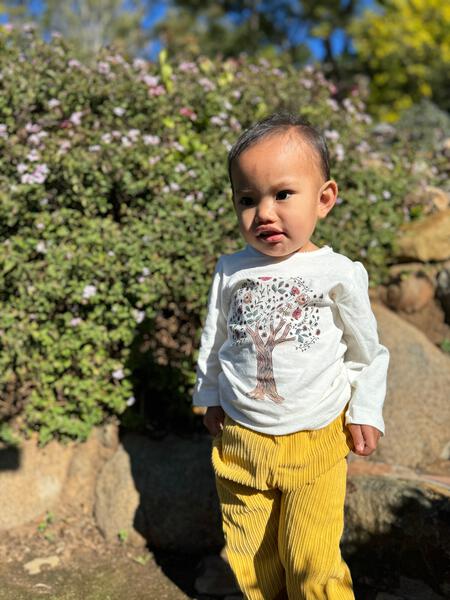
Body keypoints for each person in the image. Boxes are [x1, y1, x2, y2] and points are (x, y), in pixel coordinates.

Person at [192, 112, 389, 600]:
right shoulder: (231, 270)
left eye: (282, 195)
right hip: (241, 438)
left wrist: (365, 409)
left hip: (316, 437)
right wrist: (210, 393)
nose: (264, 212)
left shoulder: (336, 271)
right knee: (252, 553)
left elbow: (367, 350)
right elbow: (215, 337)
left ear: (324, 199)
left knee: (311, 559)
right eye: (247, 199)